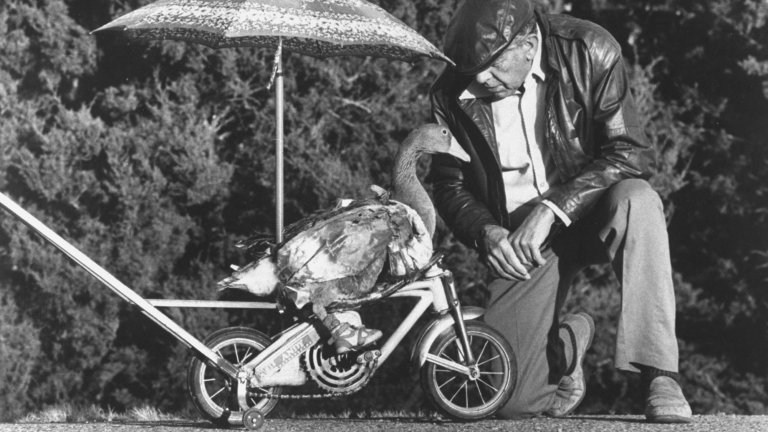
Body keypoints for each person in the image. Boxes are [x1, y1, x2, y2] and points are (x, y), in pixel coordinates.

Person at [428, 0, 692, 423]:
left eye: (492, 66)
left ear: (528, 43)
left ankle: (660, 375)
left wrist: (552, 208)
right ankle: (566, 346)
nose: (479, 79)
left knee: (639, 200)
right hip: (521, 241)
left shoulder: (591, 49)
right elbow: (448, 185)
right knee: (509, 401)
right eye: (472, 70)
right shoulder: (449, 92)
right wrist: (485, 232)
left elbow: (628, 153)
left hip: (593, 210)